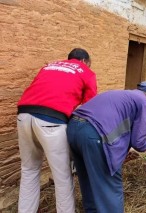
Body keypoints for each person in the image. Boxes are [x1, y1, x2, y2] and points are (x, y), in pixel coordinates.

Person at [17, 48, 97, 213]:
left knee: (29, 170)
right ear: (84, 61)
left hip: (23, 115)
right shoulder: (86, 71)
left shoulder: (49, 66)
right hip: (52, 121)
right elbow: (90, 107)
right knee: (63, 177)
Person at [66, 81, 146, 213]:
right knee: (110, 186)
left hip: (73, 129)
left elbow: (118, 126)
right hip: (93, 135)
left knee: (88, 178)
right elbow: (138, 141)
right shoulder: (145, 102)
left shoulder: (120, 95)